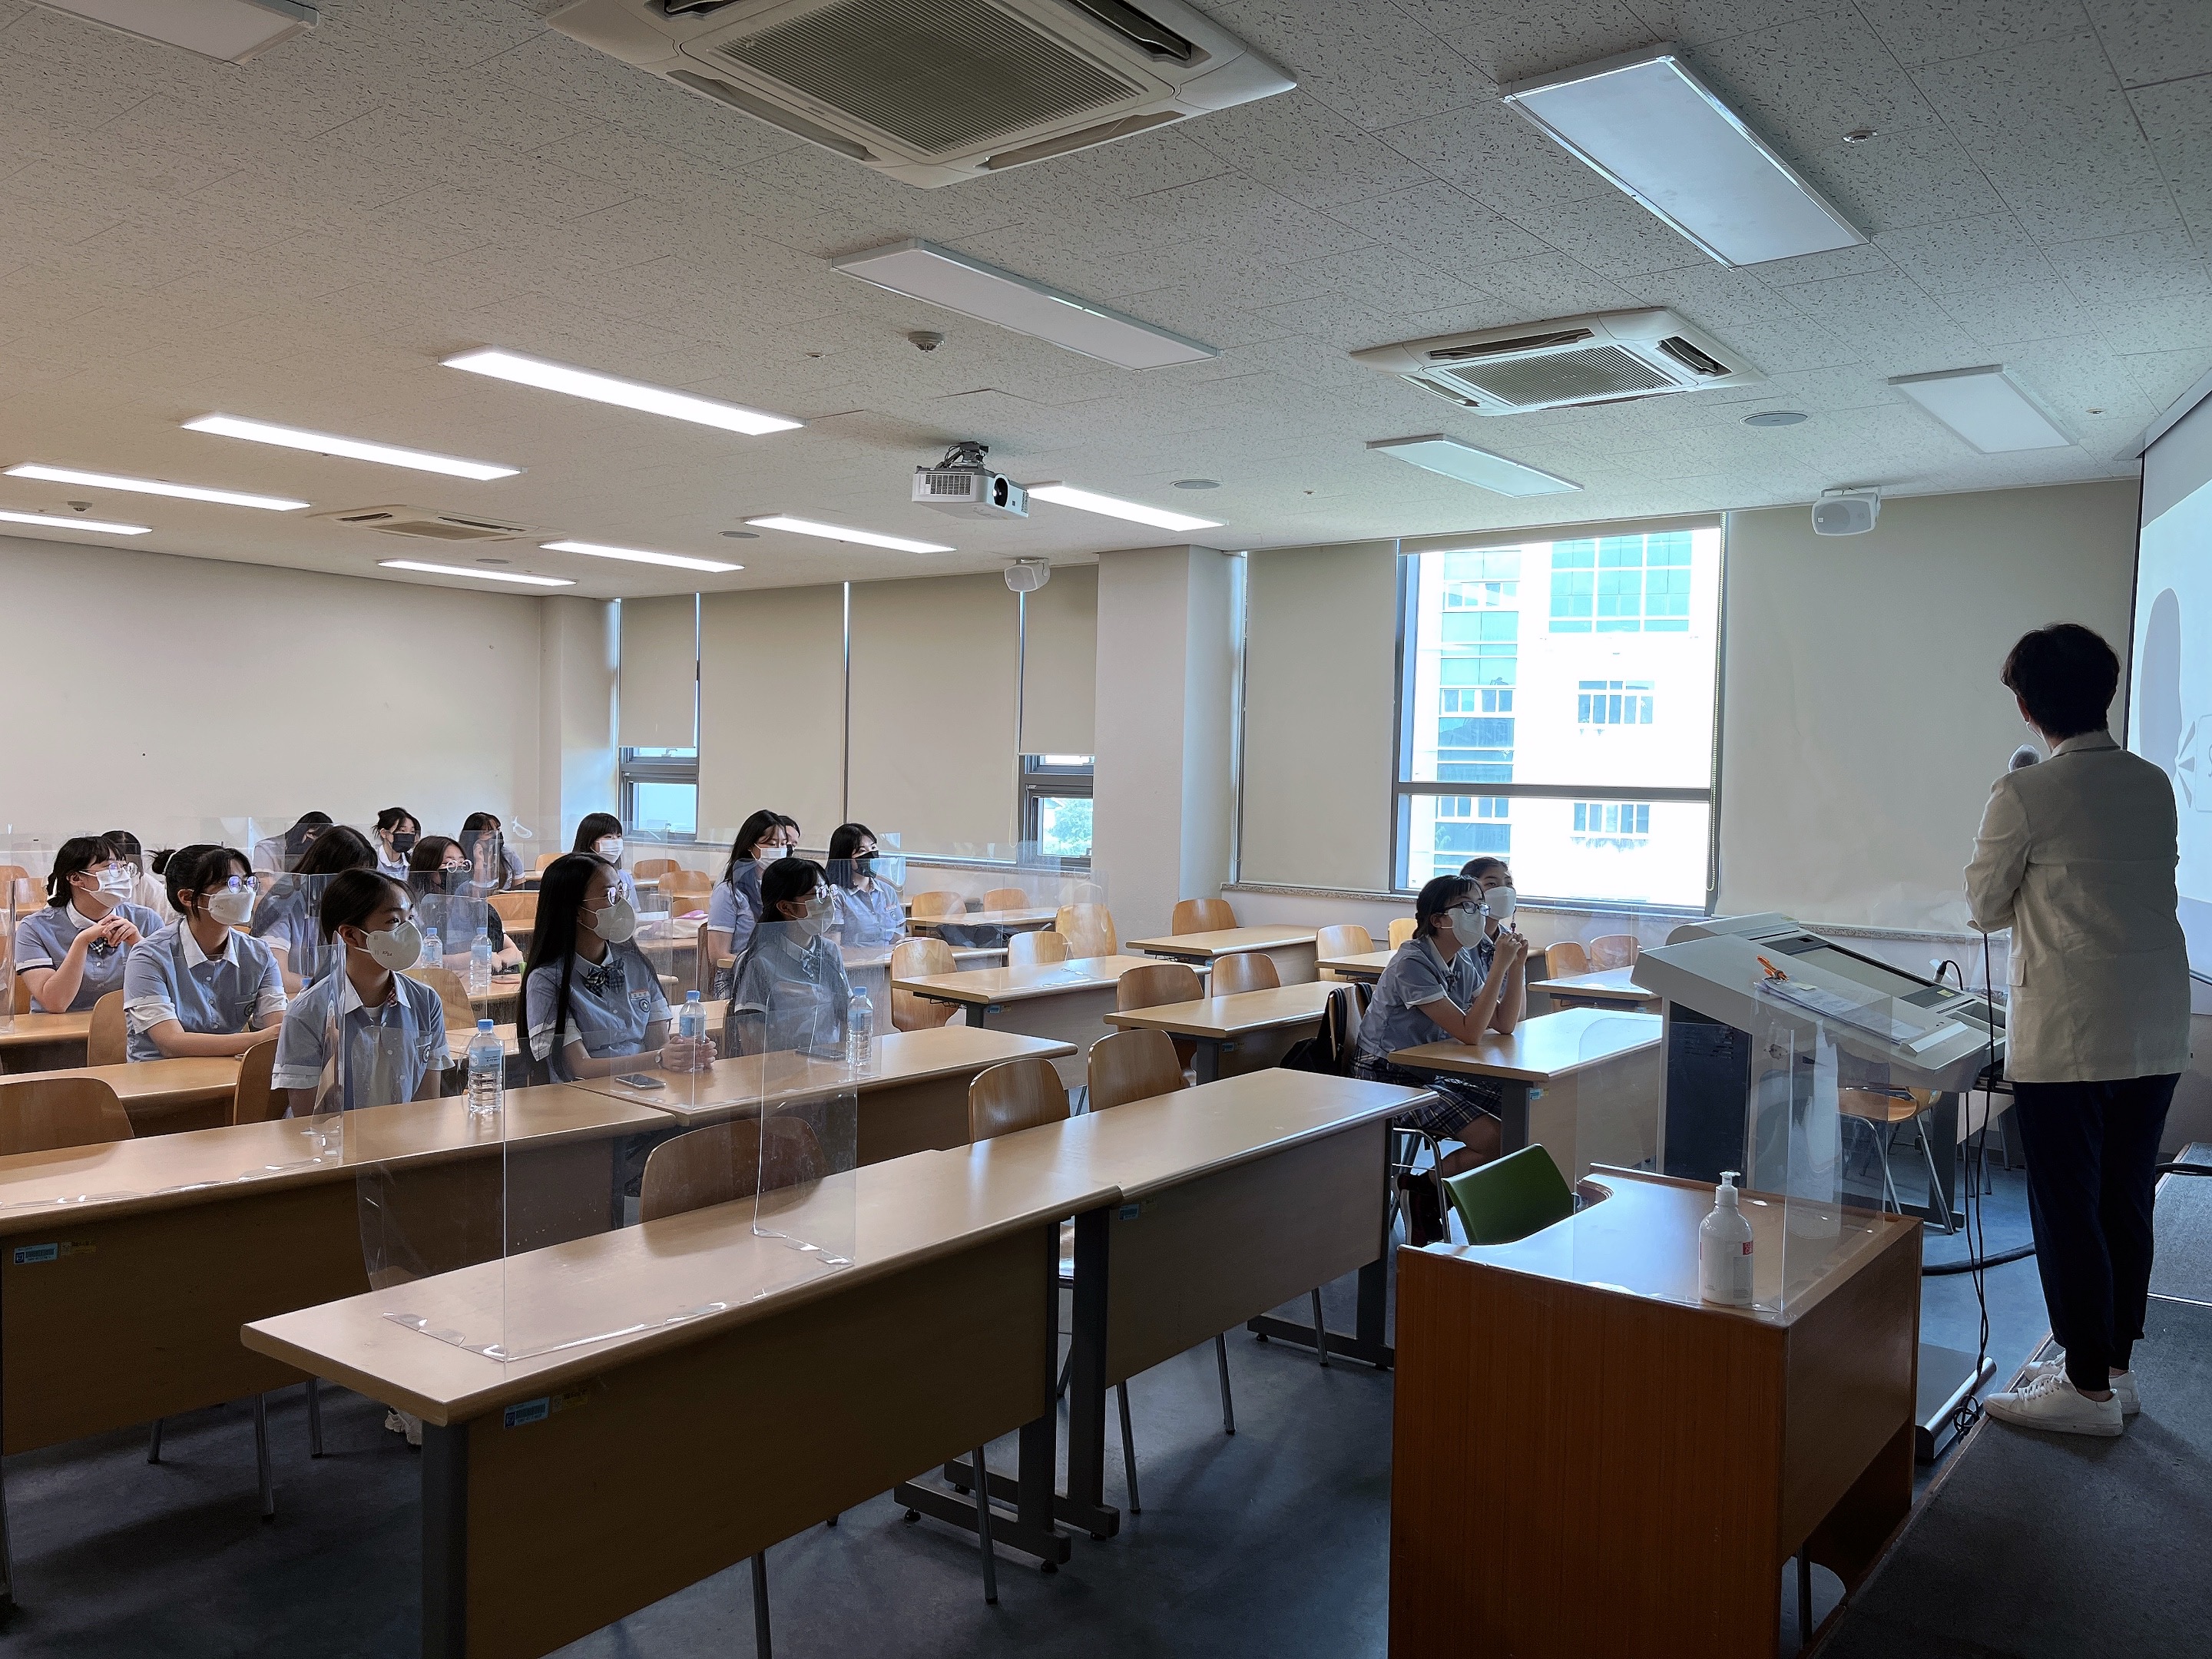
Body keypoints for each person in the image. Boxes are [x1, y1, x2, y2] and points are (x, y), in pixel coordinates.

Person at [1967, 623, 2191, 1438]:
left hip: (2070, 1032)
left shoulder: (2024, 792)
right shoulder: (2154, 783)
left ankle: (2085, 1389)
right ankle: (2114, 1372)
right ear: (2106, 692)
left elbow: (1984, 906)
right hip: (2154, 1026)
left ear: (2027, 708)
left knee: (2067, 1206)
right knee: (2124, 1196)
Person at [1353, 873, 1529, 1185]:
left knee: (1526, 1116)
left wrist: (1516, 967)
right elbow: (1470, 1033)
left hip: (1429, 1070)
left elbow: (1503, 1023)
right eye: (1467, 906)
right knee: (1495, 1139)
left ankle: (1433, 1192)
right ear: (1438, 920)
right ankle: (1421, 1190)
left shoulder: (1460, 960)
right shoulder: (1412, 963)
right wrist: (1498, 966)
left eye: (1480, 905)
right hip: (1386, 1078)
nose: (1479, 914)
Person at [272, 869, 449, 1115]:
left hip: (404, 1136)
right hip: (336, 1139)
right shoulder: (307, 1014)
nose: (409, 931)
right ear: (351, 935)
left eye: (409, 918)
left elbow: (427, 1106)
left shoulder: (426, 1002)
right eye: (394, 921)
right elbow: (309, 1120)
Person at [523, 852, 693, 1082]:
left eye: (621, 891)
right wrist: (658, 1059)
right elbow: (579, 1068)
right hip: (583, 1097)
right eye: (610, 895)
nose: (621, 904)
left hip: (644, 1090)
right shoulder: (546, 980)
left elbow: (659, 1044)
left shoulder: (636, 965)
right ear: (577, 911)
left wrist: (683, 1054)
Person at [121, 846, 286, 1061]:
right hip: (160, 1073)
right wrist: (259, 1039)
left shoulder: (259, 953)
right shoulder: (149, 956)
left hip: (227, 1071)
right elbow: (171, 1043)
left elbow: (278, 1024)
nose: (245, 892)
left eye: (247, 882)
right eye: (230, 884)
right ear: (188, 897)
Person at [14, 835, 166, 1013]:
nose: (123, 875)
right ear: (75, 878)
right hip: (59, 1028)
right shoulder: (34, 928)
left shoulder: (146, 920)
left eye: (124, 867)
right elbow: (56, 1003)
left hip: (126, 1026)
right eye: (111, 867)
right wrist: (82, 941)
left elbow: (170, 989)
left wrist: (139, 944)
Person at [727, 857, 852, 1058]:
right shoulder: (759, 961)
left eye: (828, 891)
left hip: (829, 1062)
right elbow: (753, 1046)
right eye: (818, 894)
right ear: (786, 907)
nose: (828, 901)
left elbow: (847, 1016)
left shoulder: (830, 951)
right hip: (781, 1068)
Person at [253, 824, 377, 994]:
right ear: (321, 873)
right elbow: (279, 977)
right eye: (351, 880)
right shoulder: (283, 904)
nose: (358, 890)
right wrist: (322, 983)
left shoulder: (343, 907)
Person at [407, 836, 523, 972]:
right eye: (449, 864)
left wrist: (494, 960)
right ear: (427, 871)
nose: (458, 869)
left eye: (462, 863)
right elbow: (416, 961)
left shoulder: (471, 906)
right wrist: (472, 958)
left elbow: (515, 953)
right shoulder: (412, 912)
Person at [707, 810, 801, 968]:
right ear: (750, 845)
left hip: (780, 972)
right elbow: (718, 955)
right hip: (741, 973)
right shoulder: (729, 892)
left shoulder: (784, 889)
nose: (778, 850)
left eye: (783, 844)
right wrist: (763, 967)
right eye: (771, 844)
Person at [826, 822, 903, 948]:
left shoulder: (887, 891)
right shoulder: (836, 894)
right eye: (862, 851)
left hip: (887, 958)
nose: (871, 855)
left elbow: (898, 937)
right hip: (853, 959)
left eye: (873, 848)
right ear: (844, 856)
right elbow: (833, 946)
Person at [103, 830, 175, 919]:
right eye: (114, 867)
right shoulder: (92, 884)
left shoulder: (152, 889)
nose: (123, 874)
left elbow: (162, 923)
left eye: (128, 867)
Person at [572, 812, 636, 904]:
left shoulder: (624, 877)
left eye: (618, 836)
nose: (616, 841)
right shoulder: (576, 877)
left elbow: (633, 910)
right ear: (591, 843)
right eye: (609, 837)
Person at [252, 812, 332, 876]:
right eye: (311, 836)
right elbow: (266, 883)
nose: (313, 843)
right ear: (300, 831)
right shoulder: (267, 848)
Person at [461, 811, 525, 889]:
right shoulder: (461, 859)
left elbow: (520, 891)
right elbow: (473, 893)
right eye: (489, 833)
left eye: (498, 830)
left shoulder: (509, 856)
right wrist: (479, 862)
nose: (496, 835)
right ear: (474, 837)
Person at [373, 808, 422, 880]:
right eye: (402, 830)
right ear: (384, 833)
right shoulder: (372, 861)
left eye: (412, 831)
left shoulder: (413, 862)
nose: (408, 835)